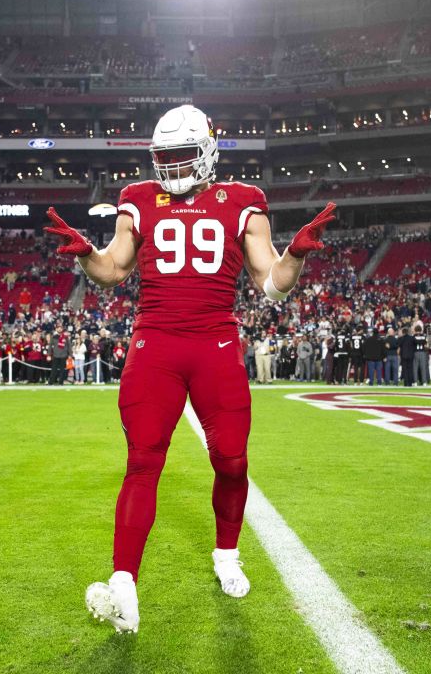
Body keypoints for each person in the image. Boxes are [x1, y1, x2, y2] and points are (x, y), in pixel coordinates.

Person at [44, 104, 338, 634]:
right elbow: (112, 270)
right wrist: (84, 253)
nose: (172, 168)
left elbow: (271, 284)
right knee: (142, 462)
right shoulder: (137, 198)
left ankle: (226, 553)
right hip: (154, 344)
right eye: (164, 158)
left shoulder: (243, 201)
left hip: (215, 345)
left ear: (206, 152)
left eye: (182, 156)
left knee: (231, 460)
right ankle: (124, 581)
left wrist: (294, 254)